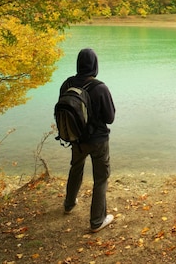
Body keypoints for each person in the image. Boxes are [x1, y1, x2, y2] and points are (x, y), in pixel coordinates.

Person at [60, 48, 116, 233]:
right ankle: (97, 221)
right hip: (98, 140)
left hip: (76, 138)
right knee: (101, 178)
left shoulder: (66, 84)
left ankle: (69, 204)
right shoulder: (100, 87)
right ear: (95, 65)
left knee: (76, 167)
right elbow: (110, 118)